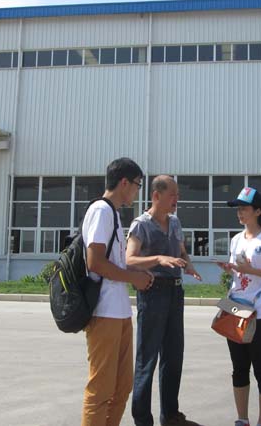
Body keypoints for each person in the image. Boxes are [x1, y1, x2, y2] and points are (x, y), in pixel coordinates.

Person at [81, 157, 154, 426]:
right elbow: (95, 262)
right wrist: (134, 278)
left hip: (119, 312)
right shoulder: (101, 211)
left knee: (122, 387)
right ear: (124, 182)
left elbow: (113, 262)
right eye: (137, 185)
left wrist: (136, 273)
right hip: (104, 312)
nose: (137, 191)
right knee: (101, 389)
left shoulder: (113, 214)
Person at [126, 175, 202, 426]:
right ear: (156, 196)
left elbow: (181, 252)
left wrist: (188, 266)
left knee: (173, 356)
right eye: (172, 195)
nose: (176, 200)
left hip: (175, 293)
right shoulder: (141, 225)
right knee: (147, 358)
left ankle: (170, 415)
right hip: (153, 292)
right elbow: (129, 259)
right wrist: (158, 259)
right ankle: (142, 419)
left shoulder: (175, 222)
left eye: (178, 195)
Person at [214, 187, 261, 426]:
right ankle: (242, 419)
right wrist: (230, 269)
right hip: (236, 310)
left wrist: (251, 270)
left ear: (258, 211)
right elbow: (239, 271)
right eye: (238, 208)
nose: (239, 212)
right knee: (239, 369)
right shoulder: (236, 239)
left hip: (260, 315)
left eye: (244, 208)